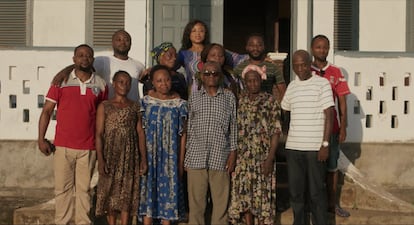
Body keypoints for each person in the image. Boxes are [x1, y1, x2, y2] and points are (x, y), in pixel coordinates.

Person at [38, 44, 108, 225]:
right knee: (62, 190)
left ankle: (83, 222)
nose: (84, 58)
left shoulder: (101, 84)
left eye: (88, 55)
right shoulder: (60, 82)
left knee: (84, 190)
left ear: (92, 60)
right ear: (74, 59)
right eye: (80, 55)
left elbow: (102, 117)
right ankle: (62, 222)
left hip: (89, 146)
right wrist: (41, 139)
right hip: (63, 145)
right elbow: (46, 111)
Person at [281, 50, 334, 225]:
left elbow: (330, 114)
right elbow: (285, 110)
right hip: (293, 148)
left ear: (309, 64)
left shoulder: (322, 84)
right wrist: (288, 131)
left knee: (316, 192)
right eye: (296, 65)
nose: (300, 68)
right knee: (296, 193)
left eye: (303, 64)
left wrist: (325, 144)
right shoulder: (292, 86)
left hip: (314, 149)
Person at [184, 61, 237, 225]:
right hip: (196, 157)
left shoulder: (229, 97)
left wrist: (233, 153)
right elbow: (189, 128)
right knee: (196, 205)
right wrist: (186, 155)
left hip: (220, 156)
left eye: (214, 73)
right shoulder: (194, 97)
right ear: (201, 76)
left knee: (221, 205)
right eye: (207, 73)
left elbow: (233, 126)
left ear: (220, 76)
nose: (211, 76)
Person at [228, 64, 281, 225]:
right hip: (243, 157)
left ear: (261, 81)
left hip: (263, 155)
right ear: (245, 82)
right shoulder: (240, 101)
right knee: (244, 193)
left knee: (262, 193)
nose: (252, 84)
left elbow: (276, 132)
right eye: (249, 81)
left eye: (255, 80)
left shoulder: (270, 101)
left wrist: (270, 158)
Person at [94, 71, 148, 225]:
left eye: (127, 82)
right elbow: (99, 134)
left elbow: (140, 132)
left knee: (127, 191)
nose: (124, 85)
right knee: (110, 190)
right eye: (120, 82)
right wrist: (100, 159)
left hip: (130, 155)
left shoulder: (135, 106)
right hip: (110, 153)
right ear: (114, 84)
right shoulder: (105, 106)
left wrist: (143, 158)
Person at [139, 65, 188, 225]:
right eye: (159, 81)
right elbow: (140, 131)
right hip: (150, 154)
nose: (164, 84)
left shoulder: (180, 104)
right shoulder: (145, 102)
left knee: (169, 192)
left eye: (166, 80)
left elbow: (183, 135)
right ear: (152, 82)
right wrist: (143, 158)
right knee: (149, 191)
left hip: (170, 157)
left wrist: (180, 162)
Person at [310, 34, 351, 218]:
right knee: (313, 170)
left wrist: (343, 127)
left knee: (332, 169)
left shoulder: (335, 72)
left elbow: (342, 101)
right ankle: (312, 205)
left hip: (332, 129)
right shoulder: (305, 69)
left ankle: (332, 205)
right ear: (312, 49)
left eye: (325, 47)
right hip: (312, 130)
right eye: (318, 47)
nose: (322, 50)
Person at [52, 29, 145, 101]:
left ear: (131, 43)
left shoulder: (138, 65)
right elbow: (82, 65)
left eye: (126, 40)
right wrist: (63, 73)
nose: (123, 43)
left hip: (132, 112)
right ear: (112, 43)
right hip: (109, 112)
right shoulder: (103, 61)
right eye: (119, 40)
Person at [178, 19, 246, 93]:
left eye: (201, 31)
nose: (198, 34)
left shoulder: (214, 49)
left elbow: (240, 59)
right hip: (195, 92)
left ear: (205, 33)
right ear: (188, 33)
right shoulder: (183, 54)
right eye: (194, 31)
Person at [234, 33, 286, 103]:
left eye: (259, 45)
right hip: (246, 109)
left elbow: (282, 91)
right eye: (252, 45)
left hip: (267, 109)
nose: (255, 48)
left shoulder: (273, 67)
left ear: (264, 47)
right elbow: (234, 90)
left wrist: (281, 109)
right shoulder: (239, 68)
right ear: (246, 47)